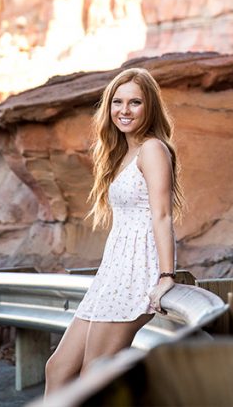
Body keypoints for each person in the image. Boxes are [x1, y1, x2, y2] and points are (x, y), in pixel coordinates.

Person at [43, 67, 183, 396]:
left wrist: (166, 275)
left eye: (135, 102)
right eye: (117, 102)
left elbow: (162, 216)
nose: (124, 110)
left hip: (136, 272)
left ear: (150, 107)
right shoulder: (123, 154)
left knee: (95, 376)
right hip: (112, 274)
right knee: (59, 368)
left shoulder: (152, 150)